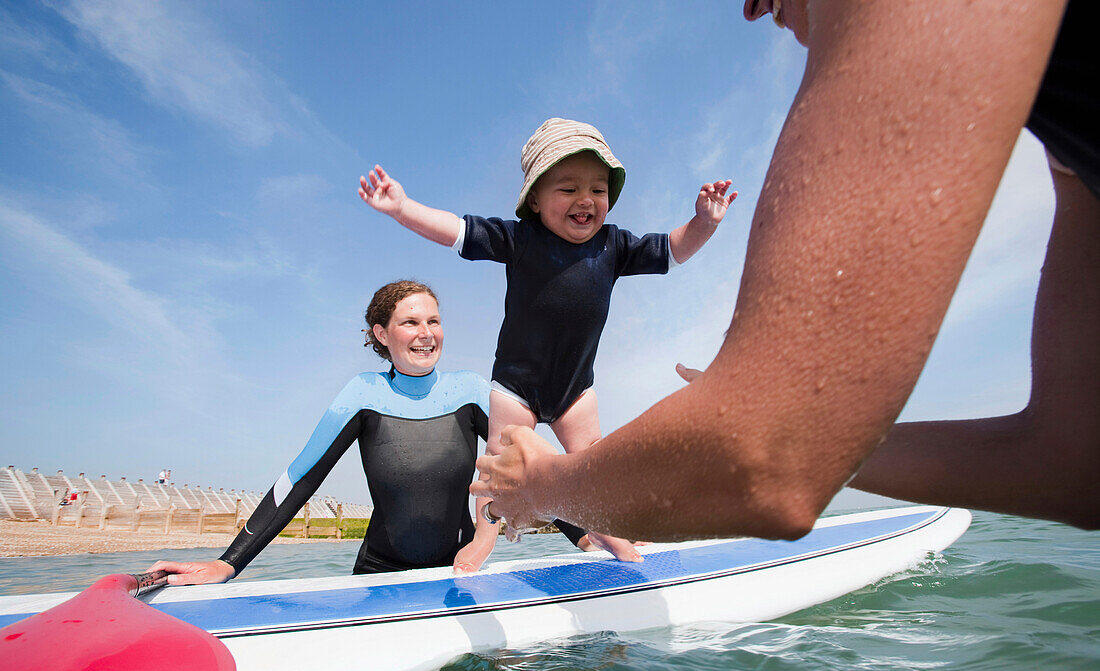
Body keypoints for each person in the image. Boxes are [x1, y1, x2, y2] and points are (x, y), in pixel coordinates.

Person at [469, 0, 1098, 541]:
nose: (749, 8)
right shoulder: (1072, 145)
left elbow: (769, 460)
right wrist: (809, 431)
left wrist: (545, 485)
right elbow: (1076, 463)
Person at [359, 118, 737, 554]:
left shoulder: (614, 245)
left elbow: (672, 251)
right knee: (502, 472)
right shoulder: (520, 239)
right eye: (569, 188)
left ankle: (606, 530)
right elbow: (455, 231)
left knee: (594, 466)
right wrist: (402, 207)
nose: (586, 200)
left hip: (576, 389)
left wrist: (704, 222)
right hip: (516, 387)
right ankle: (483, 539)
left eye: (598, 190)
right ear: (535, 199)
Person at [147, 280, 500, 584]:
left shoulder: (469, 391)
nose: (426, 333)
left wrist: (495, 542)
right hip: (379, 575)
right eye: (411, 322)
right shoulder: (363, 394)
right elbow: (301, 477)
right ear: (382, 333)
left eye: (433, 321)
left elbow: (530, 467)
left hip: (461, 570)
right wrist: (229, 562)